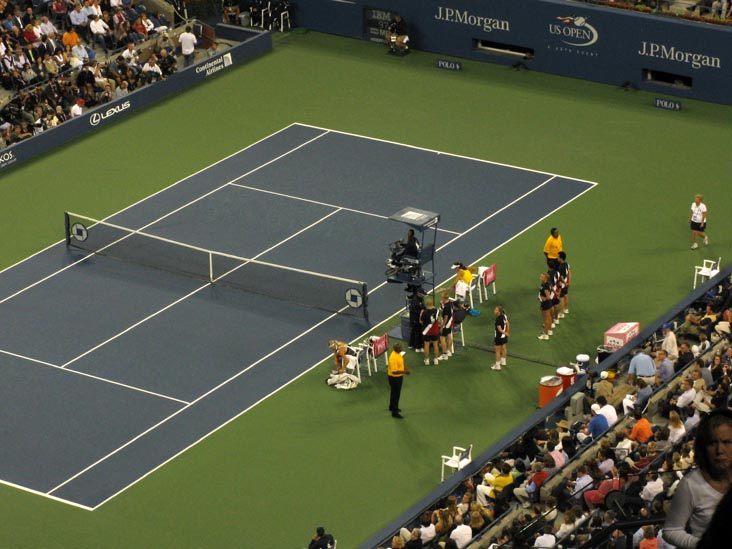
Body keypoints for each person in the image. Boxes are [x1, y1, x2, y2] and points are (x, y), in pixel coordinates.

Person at [663, 410, 732, 547]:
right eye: (712, 443)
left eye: (727, 442)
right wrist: (704, 545)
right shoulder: (690, 484)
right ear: (703, 447)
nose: (720, 450)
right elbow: (671, 530)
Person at [387, 343, 410, 418]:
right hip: (395, 378)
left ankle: (391, 406)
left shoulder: (398, 354)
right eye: (400, 348)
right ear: (395, 349)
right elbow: (394, 371)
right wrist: (405, 372)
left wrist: (405, 368)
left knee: (393, 393)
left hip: (398, 377)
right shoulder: (393, 358)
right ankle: (395, 412)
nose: (401, 349)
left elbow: (401, 363)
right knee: (396, 395)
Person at [420, 297, 441, 365]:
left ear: (426, 304)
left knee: (426, 345)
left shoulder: (424, 312)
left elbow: (421, 322)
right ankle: (436, 360)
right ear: (432, 304)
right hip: (435, 330)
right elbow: (438, 318)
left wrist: (420, 314)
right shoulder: (437, 311)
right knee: (435, 345)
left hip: (427, 331)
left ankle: (427, 360)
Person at [407, 286, 425, 352]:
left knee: (413, 332)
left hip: (416, 318)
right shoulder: (415, 301)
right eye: (423, 294)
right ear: (419, 293)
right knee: (418, 333)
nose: (424, 295)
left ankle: (411, 344)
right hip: (415, 319)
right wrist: (423, 312)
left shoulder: (420, 299)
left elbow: (423, 307)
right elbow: (415, 311)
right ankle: (418, 347)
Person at [438, 290, 454, 361]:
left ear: (444, 298)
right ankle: (449, 351)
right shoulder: (450, 303)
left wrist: (442, 326)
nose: (441, 300)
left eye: (442, 298)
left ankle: (444, 355)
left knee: (442, 339)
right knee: (449, 336)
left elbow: (445, 317)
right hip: (450, 323)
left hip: (446, 323)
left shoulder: (446, 307)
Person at [492, 306, 509, 371]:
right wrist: (507, 332)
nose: (494, 311)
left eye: (496, 310)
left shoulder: (498, 320)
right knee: (504, 348)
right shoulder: (504, 316)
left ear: (499, 312)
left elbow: (499, 330)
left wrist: (504, 332)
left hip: (498, 337)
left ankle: (497, 366)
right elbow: (507, 324)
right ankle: (503, 361)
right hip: (504, 337)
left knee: (497, 351)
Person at [537, 272, 553, 340]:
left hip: (546, 303)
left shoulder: (545, 286)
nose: (540, 278)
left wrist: (543, 298)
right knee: (548, 317)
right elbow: (551, 290)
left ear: (545, 278)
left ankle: (545, 334)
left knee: (546, 319)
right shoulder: (547, 284)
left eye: (542, 277)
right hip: (548, 303)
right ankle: (549, 331)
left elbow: (548, 297)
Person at [556, 251, 571, 317]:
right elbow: (569, 273)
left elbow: (561, 277)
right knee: (566, 295)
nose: (557, 258)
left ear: (561, 258)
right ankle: (566, 309)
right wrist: (568, 282)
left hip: (562, 284)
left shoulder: (561, 267)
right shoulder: (567, 264)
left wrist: (564, 283)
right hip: (566, 283)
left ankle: (561, 313)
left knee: (561, 298)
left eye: (558, 257)